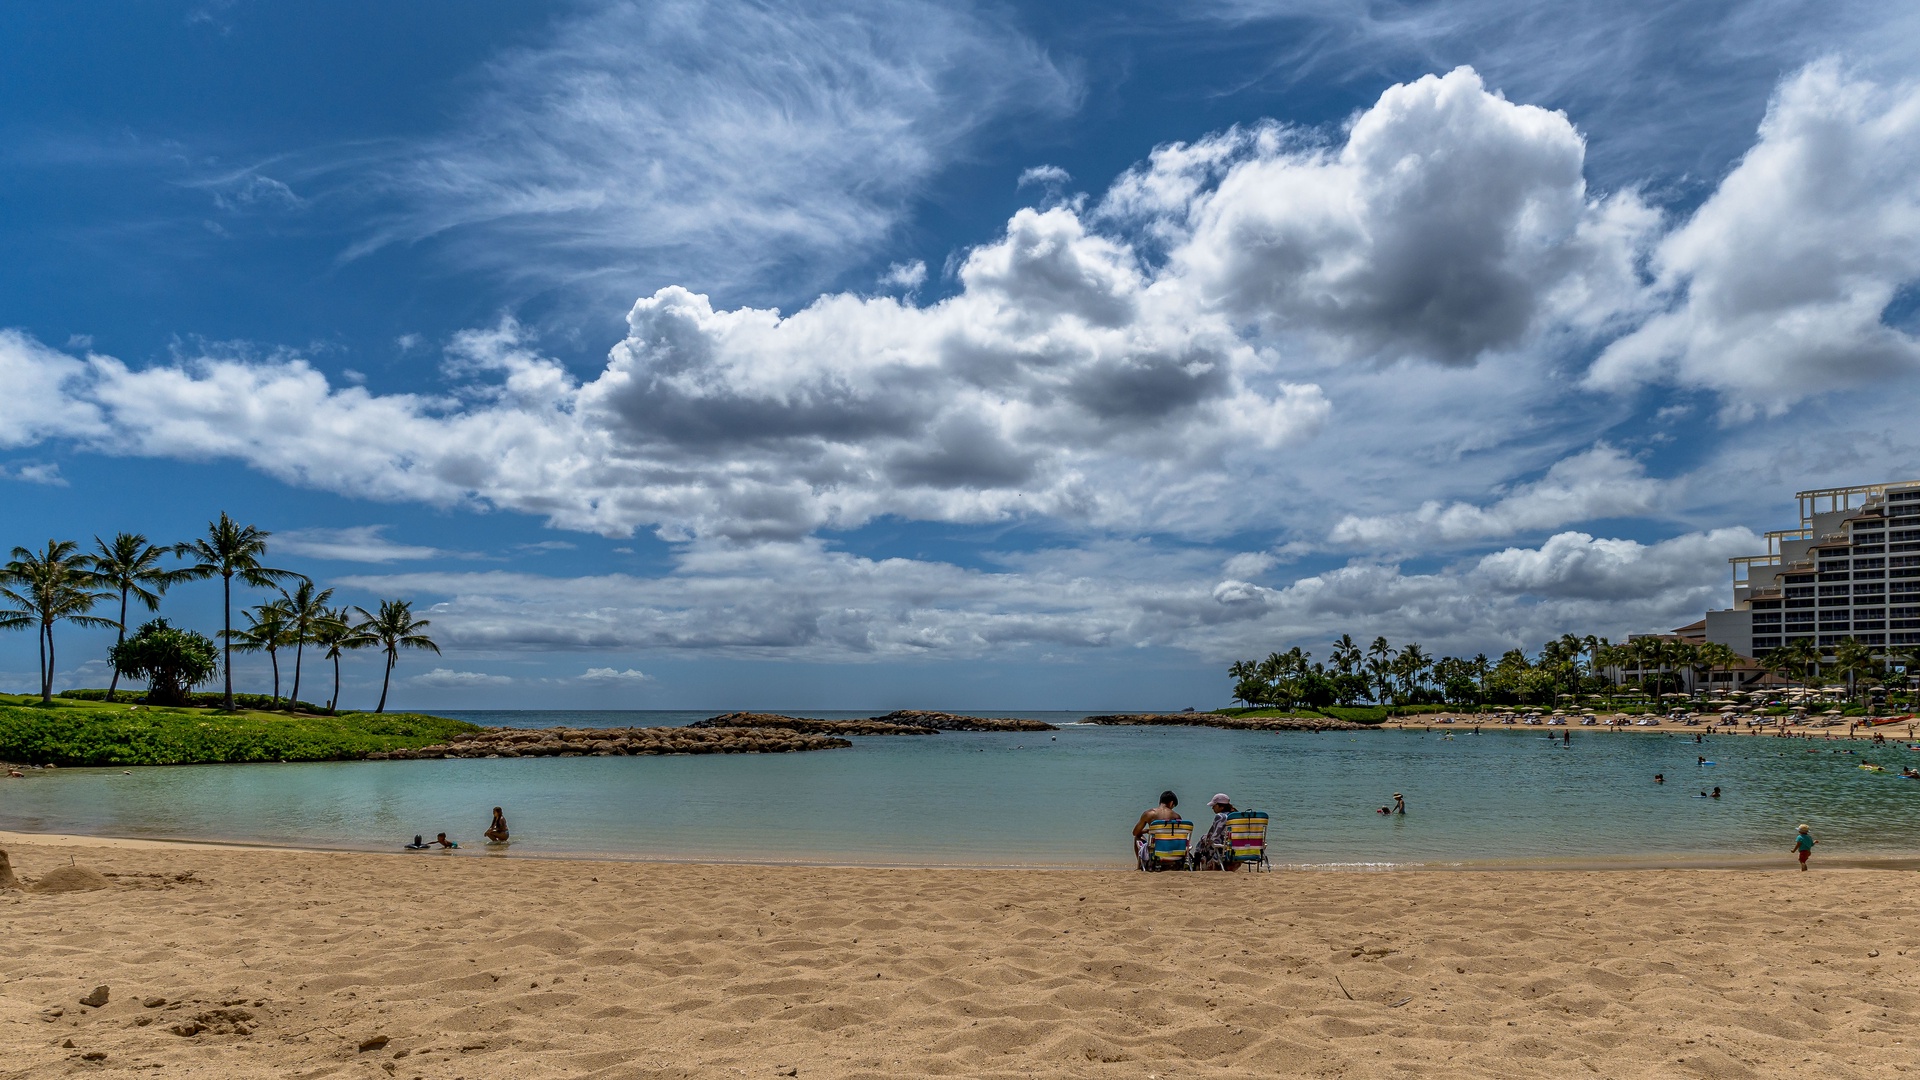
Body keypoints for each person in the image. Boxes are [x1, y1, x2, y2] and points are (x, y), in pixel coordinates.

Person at [1132, 791, 1180, 863]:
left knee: (1137, 837)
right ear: (1171, 803)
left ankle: (1140, 865)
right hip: (1170, 849)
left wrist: (1148, 831)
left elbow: (1135, 832)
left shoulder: (1149, 814)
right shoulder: (1176, 816)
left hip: (1154, 848)